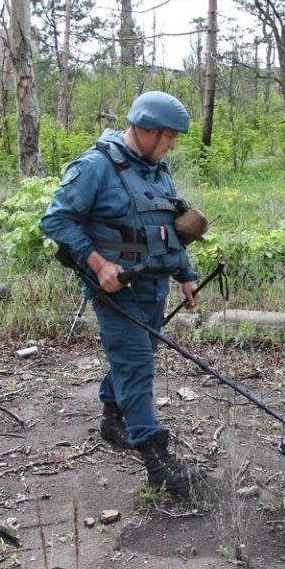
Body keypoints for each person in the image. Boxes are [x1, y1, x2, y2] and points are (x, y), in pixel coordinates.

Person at [41, 91, 205, 494]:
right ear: (147, 130)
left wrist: (185, 275)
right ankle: (156, 459)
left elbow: (167, 229)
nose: (172, 145)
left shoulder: (157, 170)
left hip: (154, 286)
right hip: (117, 291)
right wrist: (99, 264)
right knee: (136, 365)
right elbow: (56, 220)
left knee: (138, 355)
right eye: (169, 136)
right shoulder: (96, 166)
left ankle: (112, 419)